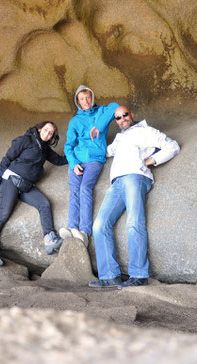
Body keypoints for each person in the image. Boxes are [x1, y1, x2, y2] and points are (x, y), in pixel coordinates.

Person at [89, 106, 180, 289]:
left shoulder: (146, 131)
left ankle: (139, 275)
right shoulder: (120, 138)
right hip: (116, 183)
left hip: (135, 177)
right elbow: (106, 152)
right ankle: (109, 276)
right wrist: (95, 135)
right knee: (99, 225)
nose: (122, 119)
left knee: (134, 223)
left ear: (132, 115)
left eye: (125, 115)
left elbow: (173, 146)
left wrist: (150, 161)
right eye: (118, 118)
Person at [0, 121, 67, 266]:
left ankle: (49, 238)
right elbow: (7, 158)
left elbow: (59, 160)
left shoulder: (45, 149)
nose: (47, 134)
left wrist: (77, 155)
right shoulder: (25, 140)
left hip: (26, 186)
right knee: (4, 213)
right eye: (46, 130)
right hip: (11, 180)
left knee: (44, 204)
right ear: (40, 128)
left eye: (51, 133)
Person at [59, 85, 120, 247]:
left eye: (88, 97)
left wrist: (98, 126)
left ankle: (85, 231)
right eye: (82, 99)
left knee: (85, 188)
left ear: (92, 98)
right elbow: (68, 146)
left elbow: (115, 107)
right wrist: (73, 163)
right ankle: (72, 226)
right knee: (74, 191)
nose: (86, 101)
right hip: (78, 160)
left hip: (95, 159)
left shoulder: (101, 111)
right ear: (78, 102)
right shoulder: (75, 121)